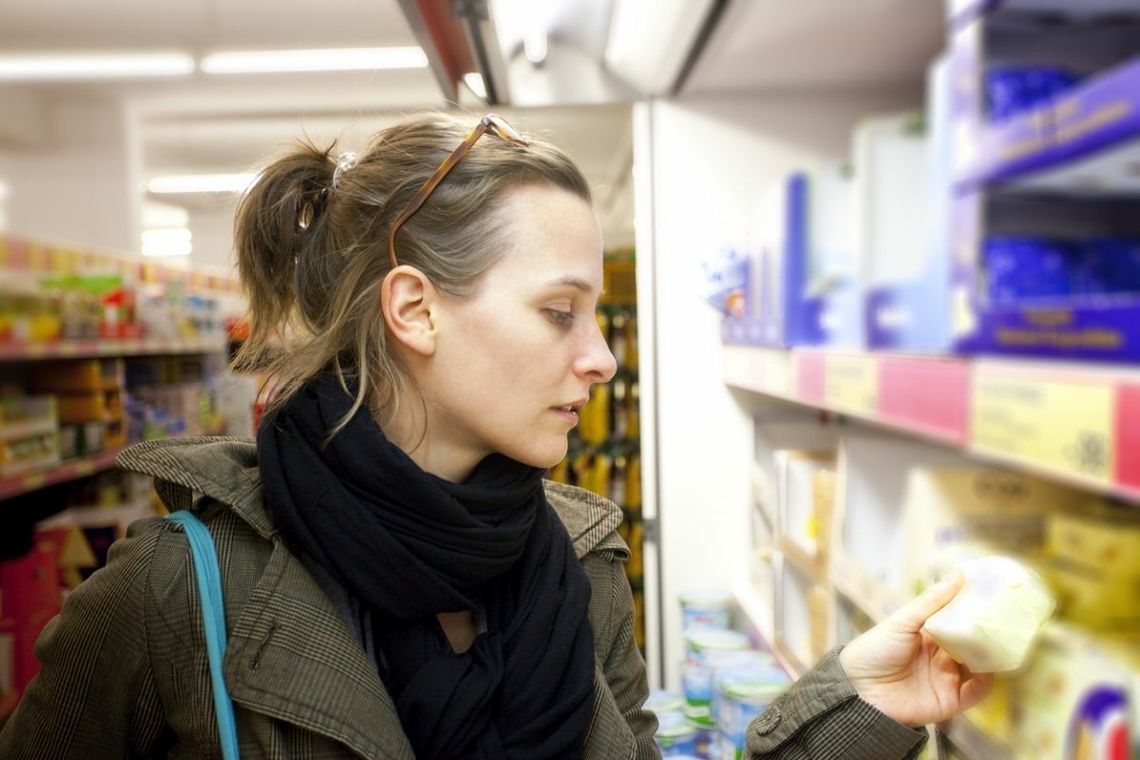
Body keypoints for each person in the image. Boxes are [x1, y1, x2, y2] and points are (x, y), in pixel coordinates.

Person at [0, 111, 989, 760]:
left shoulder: (580, 559)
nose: (601, 359)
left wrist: (859, 705)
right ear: (415, 309)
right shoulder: (174, 594)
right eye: (559, 311)